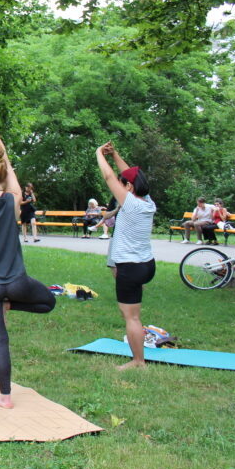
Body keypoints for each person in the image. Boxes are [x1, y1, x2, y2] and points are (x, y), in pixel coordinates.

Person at [0, 105, 54, 408]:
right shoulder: (16, 200)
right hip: (16, 282)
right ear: (5, 173)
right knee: (48, 301)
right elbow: (9, 167)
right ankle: (11, 303)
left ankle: (4, 397)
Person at [96, 141, 156, 370]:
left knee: (131, 316)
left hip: (130, 267)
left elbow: (109, 176)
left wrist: (98, 154)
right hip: (146, 265)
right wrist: (115, 154)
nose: (120, 186)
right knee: (134, 312)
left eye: (124, 184)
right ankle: (138, 356)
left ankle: (138, 361)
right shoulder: (148, 202)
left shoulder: (129, 204)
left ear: (129, 188)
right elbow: (129, 174)